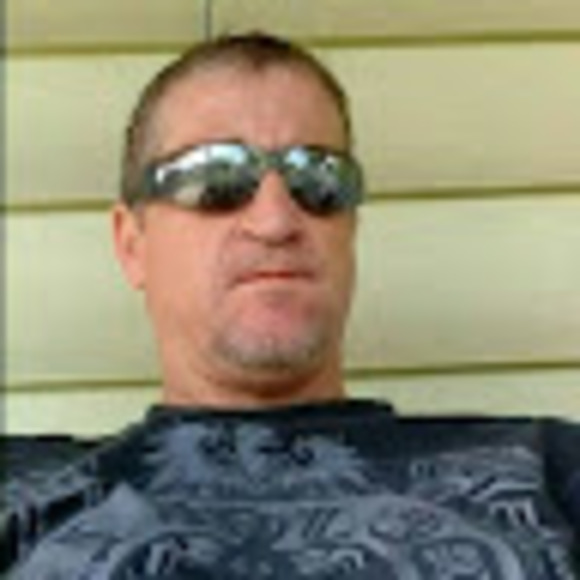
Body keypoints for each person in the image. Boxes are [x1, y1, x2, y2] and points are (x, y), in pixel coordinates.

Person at [2, 32, 579, 579]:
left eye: (318, 178)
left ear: (349, 230)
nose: (276, 220)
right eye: (217, 177)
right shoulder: (25, 496)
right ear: (132, 245)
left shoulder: (547, 473)